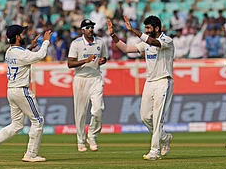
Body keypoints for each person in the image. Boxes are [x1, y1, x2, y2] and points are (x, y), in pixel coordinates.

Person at [107, 15, 174, 160]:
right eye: (145, 29)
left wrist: (133, 30)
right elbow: (125, 49)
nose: (147, 31)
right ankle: (164, 137)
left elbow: (152, 41)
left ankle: (154, 151)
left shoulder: (167, 41)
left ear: (156, 28)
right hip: (150, 82)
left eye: (149, 28)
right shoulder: (146, 44)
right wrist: (113, 35)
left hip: (164, 81)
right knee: (144, 117)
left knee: (157, 118)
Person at [0, 24, 52, 162]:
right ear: (16, 37)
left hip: (11, 91)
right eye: (22, 34)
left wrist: (30, 48)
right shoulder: (20, 53)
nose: (24, 36)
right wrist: (45, 41)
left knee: (16, 125)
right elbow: (40, 55)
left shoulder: (9, 51)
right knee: (38, 120)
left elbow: (22, 58)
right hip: (22, 90)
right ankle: (31, 154)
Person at [67, 19, 108, 152]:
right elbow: (70, 64)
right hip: (81, 79)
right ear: (82, 30)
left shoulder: (100, 42)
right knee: (80, 113)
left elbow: (104, 58)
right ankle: (81, 141)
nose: (91, 29)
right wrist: (86, 60)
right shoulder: (76, 44)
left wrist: (102, 60)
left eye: (92, 27)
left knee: (98, 109)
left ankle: (92, 136)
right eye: (88, 27)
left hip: (95, 78)